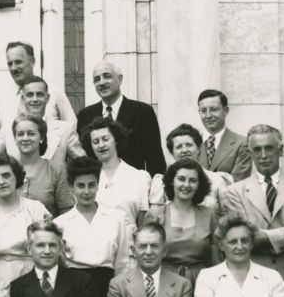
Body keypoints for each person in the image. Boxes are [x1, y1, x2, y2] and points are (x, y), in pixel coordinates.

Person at [219, 124, 284, 297]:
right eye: (257, 150)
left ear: (281, 150)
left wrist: (264, 237)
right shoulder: (234, 192)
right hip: (255, 274)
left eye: (269, 148)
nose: (263, 156)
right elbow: (244, 235)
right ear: (250, 154)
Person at [54, 156, 132, 297]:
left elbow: (122, 263)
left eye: (91, 185)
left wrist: (119, 293)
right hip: (74, 290)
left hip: (108, 288)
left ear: (98, 184)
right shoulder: (60, 224)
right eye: (81, 185)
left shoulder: (116, 219)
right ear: (71, 187)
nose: (87, 191)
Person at [76, 61, 166, 175]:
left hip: (135, 186)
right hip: (99, 186)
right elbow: (84, 158)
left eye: (107, 76)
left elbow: (155, 158)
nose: (102, 82)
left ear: (119, 79)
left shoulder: (143, 112)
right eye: (97, 79)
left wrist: (154, 189)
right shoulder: (85, 115)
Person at [0, 153, 50, 283]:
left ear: (17, 177)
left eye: (6, 175)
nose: (1, 182)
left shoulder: (35, 209)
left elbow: (47, 247)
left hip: (30, 274)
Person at [145, 157, 218, 285]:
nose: (186, 185)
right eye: (181, 179)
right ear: (172, 181)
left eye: (193, 180)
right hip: (164, 283)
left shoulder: (209, 214)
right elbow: (147, 257)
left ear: (199, 184)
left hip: (202, 283)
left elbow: (216, 259)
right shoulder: (155, 215)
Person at [0, 78, 84, 173]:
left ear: (47, 98)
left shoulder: (65, 129)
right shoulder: (7, 128)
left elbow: (82, 163)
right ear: (23, 99)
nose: (35, 99)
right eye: (30, 95)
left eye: (39, 94)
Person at [81, 117, 151, 229]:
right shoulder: (87, 179)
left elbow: (142, 223)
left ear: (116, 140)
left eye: (105, 139)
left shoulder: (139, 177)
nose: (101, 145)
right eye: (96, 141)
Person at [0, 115, 73, 217]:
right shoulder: (6, 171)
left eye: (31, 134)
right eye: (20, 134)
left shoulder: (57, 169)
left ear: (41, 137)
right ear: (15, 139)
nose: (25, 138)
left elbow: (66, 214)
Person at [0, 41, 77, 131]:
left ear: (32, 62)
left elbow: (72, 126)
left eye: (18, 62)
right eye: (10, 64)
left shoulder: (54, 92)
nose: (13, 68)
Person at [150, 123, 232, 214]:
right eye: (179, 147)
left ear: (199, 148)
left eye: (189, 145)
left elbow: (227, 216)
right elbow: (155, 218)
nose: (184, 150)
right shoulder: (162, 182)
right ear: (172, 153)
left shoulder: (217, 180)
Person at [195, 89, 251, 182]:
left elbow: (237, 183)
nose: (208, 115)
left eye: (214, 109)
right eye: (203, 110)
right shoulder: (191, 143)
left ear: (225, 111)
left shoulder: (243, 144)